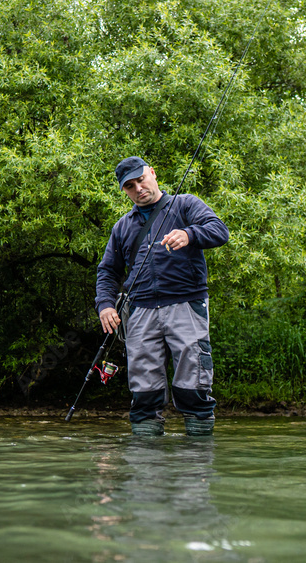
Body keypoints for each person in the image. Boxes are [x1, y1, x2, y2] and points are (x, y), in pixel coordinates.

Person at [95, 156, 229, 436]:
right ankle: (147, 465)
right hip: (141, 311)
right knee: (144, 391)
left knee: (194, 382)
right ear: (125, 191)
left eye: (141, 179)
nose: (138, 188)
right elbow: (108, 270)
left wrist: (190, 234)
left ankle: (196, 462)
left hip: (185, 304)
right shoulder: (122, 226)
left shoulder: (186, 204)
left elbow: (219, 231)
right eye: (130, 186)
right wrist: (105, 305)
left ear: (153, 173)